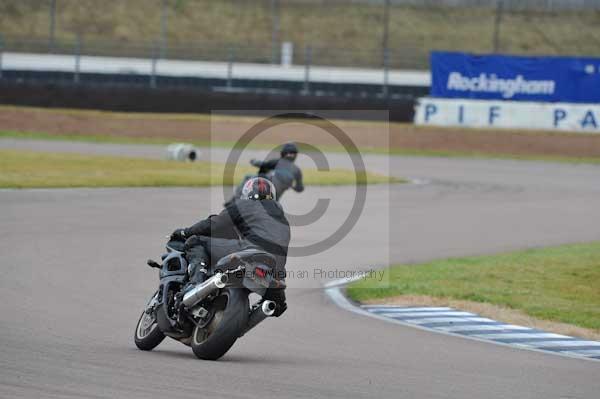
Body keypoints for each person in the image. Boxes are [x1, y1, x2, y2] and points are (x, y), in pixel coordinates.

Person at [171, 177, 290, 316]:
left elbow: (215, 224)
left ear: (247, 192)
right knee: (277, 306)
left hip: (251, 252)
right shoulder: (282, 218)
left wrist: (185, 231)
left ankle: (195, 283)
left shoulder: (245, 204)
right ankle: (255, 312)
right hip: (276, 268)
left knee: (195, 241)